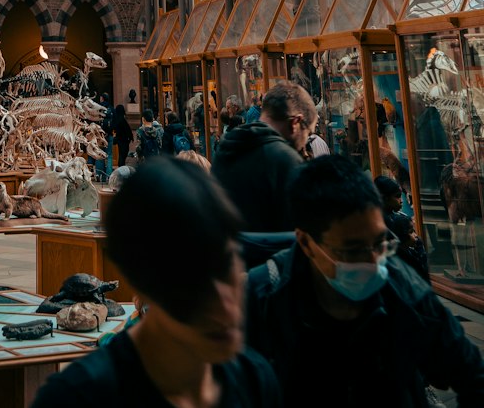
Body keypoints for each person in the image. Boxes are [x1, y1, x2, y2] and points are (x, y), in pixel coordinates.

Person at [31, 162, 279, 408]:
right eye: (193, 284)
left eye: (227, 267)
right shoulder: (75, 399)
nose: (225, 306)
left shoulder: (255, 379)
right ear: (143, 284)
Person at [247, 156, 484, 408]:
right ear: (306, 243)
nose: (373, 261)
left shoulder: (403, 288)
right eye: (352, 250)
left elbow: (470, 372)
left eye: (379, 243)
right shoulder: (263, 300)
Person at [211, 80, 315, 231]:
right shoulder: (287, 161)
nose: (305, 143)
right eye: (308, 133)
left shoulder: (227, 149)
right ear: (295, 122)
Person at [374, 174, 429, 282]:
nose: (401, 200)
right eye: (397, 196)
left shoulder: (398, 217)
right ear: (385, 198)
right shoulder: (386, 224)